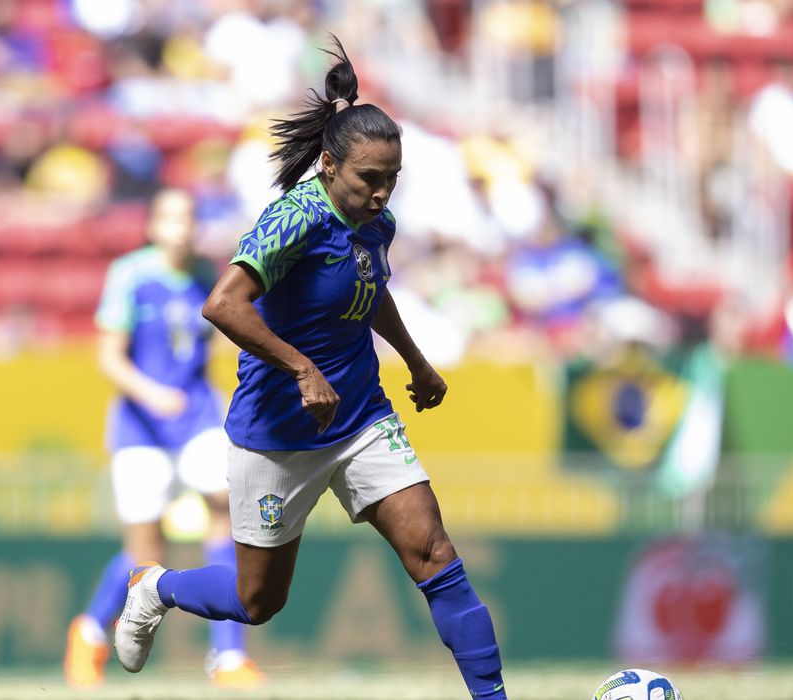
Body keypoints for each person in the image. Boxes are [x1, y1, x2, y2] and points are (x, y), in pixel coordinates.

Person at [113, 38, 508, 699]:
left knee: (435, 555)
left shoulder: (374, 225)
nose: (382, 194)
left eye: (391, 179)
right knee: (258, 600)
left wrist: (415, 360)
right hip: (278, 433)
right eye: (368, 180)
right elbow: (224, 303)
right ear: (329, 165)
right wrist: (299, 367)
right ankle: (156, 588)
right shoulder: (293, 218)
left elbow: (369, 289)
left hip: (359, 418)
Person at [63, 189, 264, 689]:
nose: (183, 226)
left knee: (227, 511)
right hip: (141, 429)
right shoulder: (131, 275)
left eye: (190, 216)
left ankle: (229, 659)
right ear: (152, 226)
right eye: (172, 217)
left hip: (196, 421)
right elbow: (110, 356)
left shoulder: (206, 275)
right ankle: (89, 631)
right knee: (147, 555)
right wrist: (152, 395)